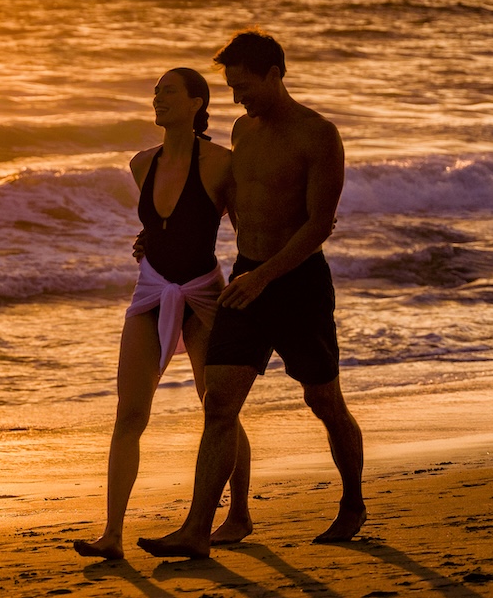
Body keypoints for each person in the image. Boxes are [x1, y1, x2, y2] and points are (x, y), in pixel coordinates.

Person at [139, 31, 364, 560]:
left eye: (244, 86)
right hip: (246, 280)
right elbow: (235, 204)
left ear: (274, 74)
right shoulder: (243, 130)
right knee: (219, 403)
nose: (237, 99)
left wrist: (266, 277)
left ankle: (353, 502)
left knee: (323, 401)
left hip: (299, 285)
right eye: (231, 87)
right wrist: (168, 236)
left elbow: (319, 224)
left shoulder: (318, 135)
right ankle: (198, 528)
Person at [74, 67, 254, 561]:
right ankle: (111, 533)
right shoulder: (140, 163)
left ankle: (238, 514)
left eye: (168, 91)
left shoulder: (222, 164)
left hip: (204, 295)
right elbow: (162, 225)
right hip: (150, 293)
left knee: (218, 406)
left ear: (197, 103)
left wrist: (256, 282)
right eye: (155, 92)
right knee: (129, 413)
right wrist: (148, 241)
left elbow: (245, 232)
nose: (157, 98)